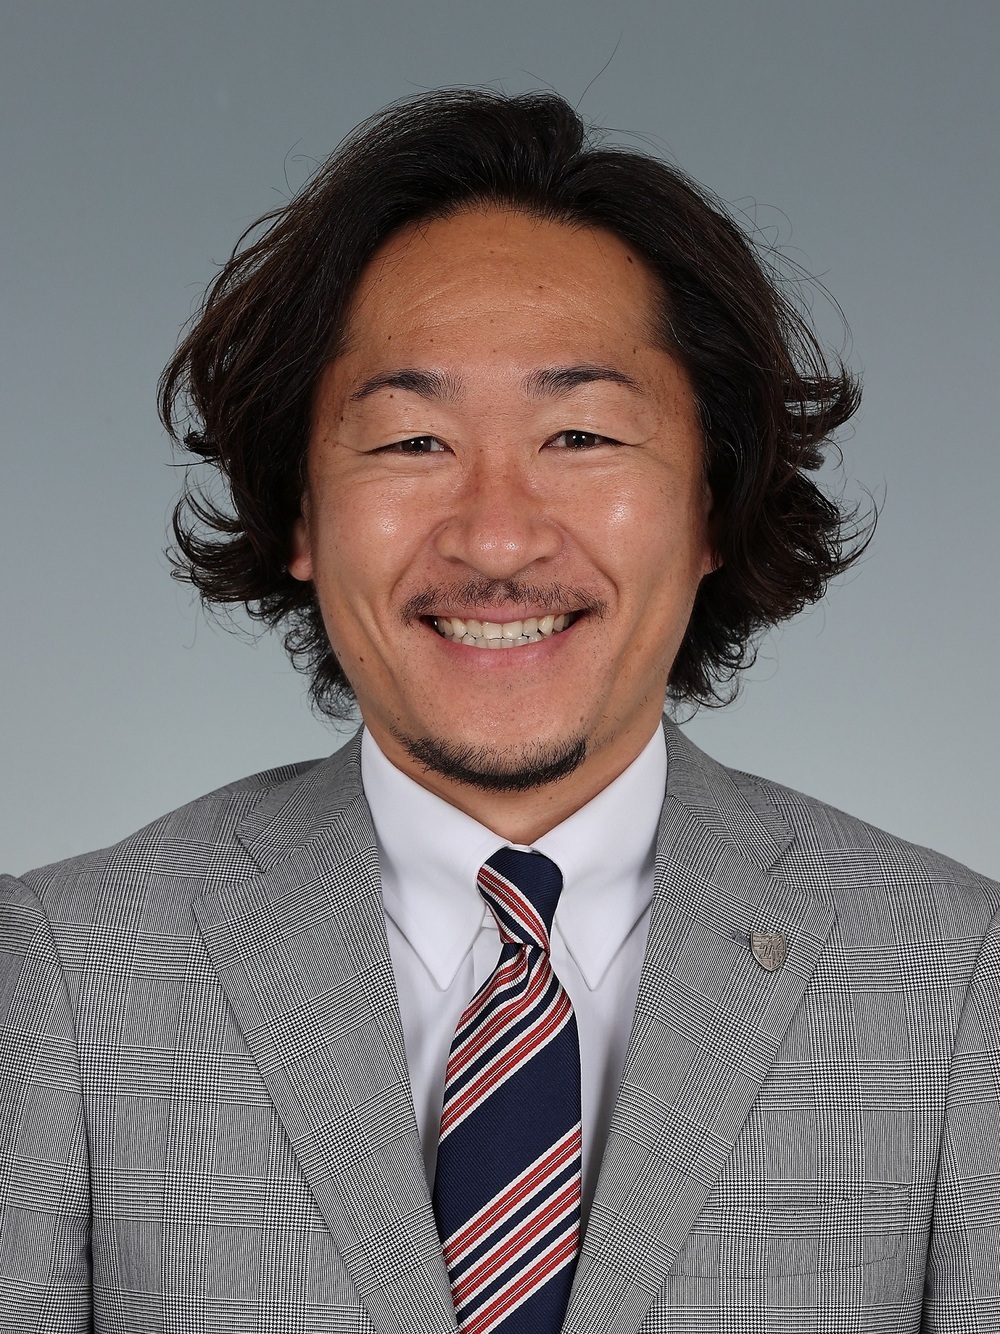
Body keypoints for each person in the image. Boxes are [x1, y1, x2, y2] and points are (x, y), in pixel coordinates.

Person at [1, 88, 997, 1334]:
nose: (495, 537)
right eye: (410, 442)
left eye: (578, 433)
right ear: (300, 512)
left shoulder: (956, 978)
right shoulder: (66, 972)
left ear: (712, 502)